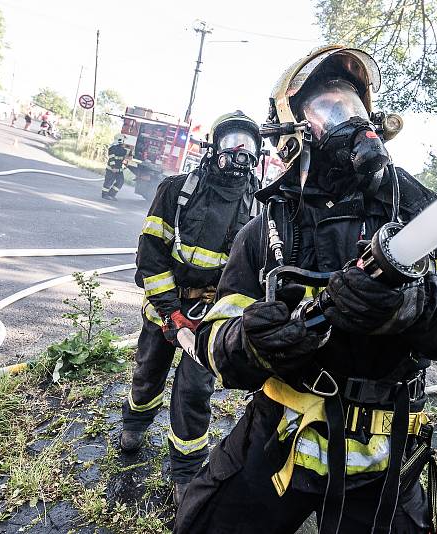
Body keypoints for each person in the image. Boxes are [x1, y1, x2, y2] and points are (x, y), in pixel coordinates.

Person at [175, 46, 437, 534]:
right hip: (281, 433)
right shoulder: (267, 226)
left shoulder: (415, 210)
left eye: (353, 106)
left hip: (386, 449)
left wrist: (414, 303)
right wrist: (251, 340)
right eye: (328, 108)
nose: (349, 119)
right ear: (292, 133)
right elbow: (216, 339)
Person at [120, 111, 262, 506]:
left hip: (209, 319)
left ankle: (185, 469)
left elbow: (252, 276)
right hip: (165, 309)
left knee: (195, 392)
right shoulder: (176, 190)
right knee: (148, 371)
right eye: (232, 142)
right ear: (213, 147)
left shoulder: (259, 211)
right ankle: (135, 422)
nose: (240, 153)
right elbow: (150, 256)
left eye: (248, 146)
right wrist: (169, 312)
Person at [101, 135, 129, 200]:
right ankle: (104, 195)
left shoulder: (123, 150)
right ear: (120, 140)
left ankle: (111, 194)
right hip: (111, 169)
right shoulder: (112, 148)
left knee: (120, 181)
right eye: (124, 141)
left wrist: (125, 164)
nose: (125, 143)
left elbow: (124, 159)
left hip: (118, 170)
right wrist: (113, 168)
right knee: (109, 181)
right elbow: (111, 159)